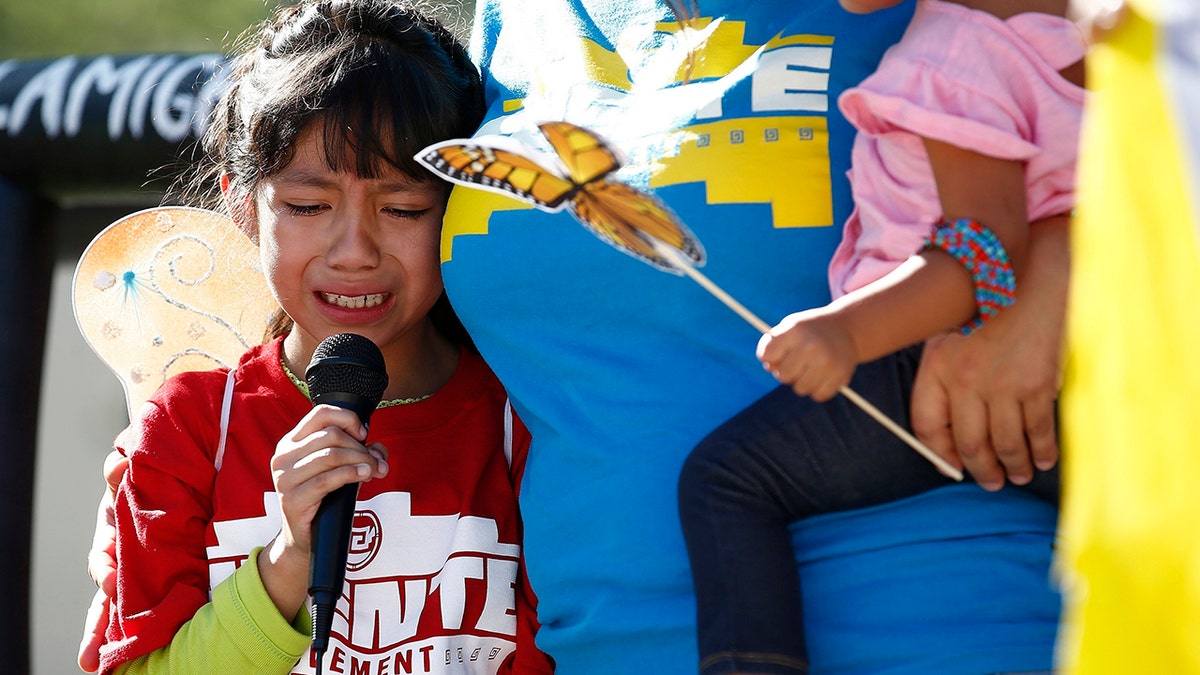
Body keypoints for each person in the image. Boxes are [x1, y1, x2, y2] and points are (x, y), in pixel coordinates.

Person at [83, 1, 1071, 673]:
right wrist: (193, 478)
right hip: (605, 648)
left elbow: (1142, 142)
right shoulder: (520, 24)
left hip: (943, 622)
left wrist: (1051, 288)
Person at [86, 1, 552, 673]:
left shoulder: (526, 425)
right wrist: (284, 564)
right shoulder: (186, 431)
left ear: (463, 208)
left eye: (403, 207)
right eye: (308, 206)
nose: (354, 251)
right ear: (244, 205)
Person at [675, 0, 1084, 671]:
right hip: (1087, 374)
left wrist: (847, 331)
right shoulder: (1098, 38)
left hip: (923, 359)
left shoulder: (954, 53)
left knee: (727, 481)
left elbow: (985, 254)